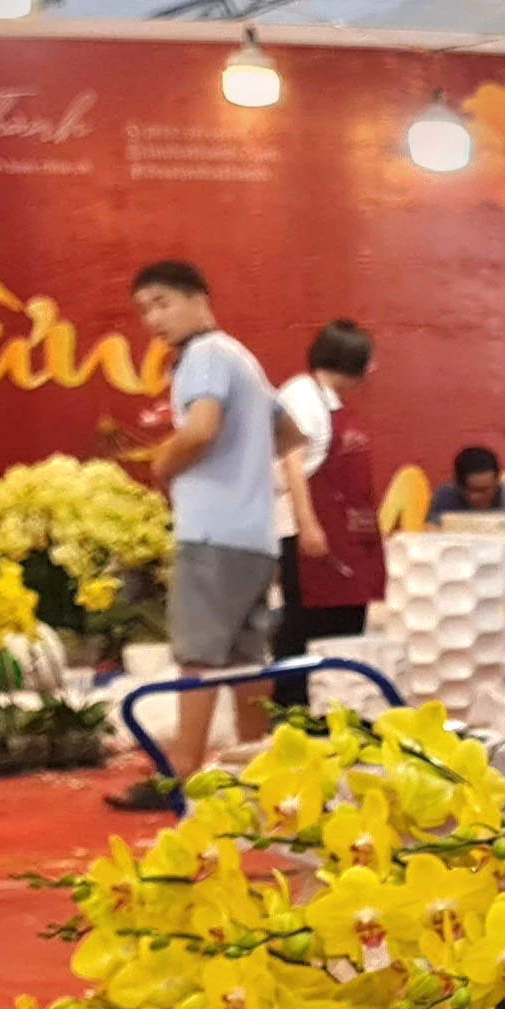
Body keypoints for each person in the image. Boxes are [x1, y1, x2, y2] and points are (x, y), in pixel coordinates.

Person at [135, 259, 301, 784]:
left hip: (210, 533)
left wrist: (162, 465)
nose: (152, 320)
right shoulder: (243, 359)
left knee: (199, 657)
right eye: (143, 310)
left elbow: (201, 429)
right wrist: (245, 462)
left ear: (199, 299)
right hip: (256, 536)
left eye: (162, 303)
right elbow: (292, 434)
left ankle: (182, 772)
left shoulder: (203, 356)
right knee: (247, 662)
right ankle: (257, 771)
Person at [270, 321, 383, 708]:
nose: (373, 370)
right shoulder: (302, 395)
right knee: (304, 625)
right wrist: (309, 527)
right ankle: (291, 708)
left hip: (346, 537)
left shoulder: (333, 402)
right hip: (310, 533)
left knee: (345, 625)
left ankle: (337, 707)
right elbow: (293, 463)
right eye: (368, 360)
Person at [430, 446, 505, 519]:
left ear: (498, 480)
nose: (477, 496)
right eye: (472, 490)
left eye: (485, 490)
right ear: (458, 485)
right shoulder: (445, 497)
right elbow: (432, 534)